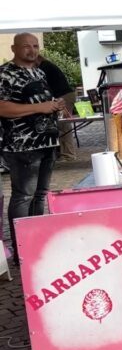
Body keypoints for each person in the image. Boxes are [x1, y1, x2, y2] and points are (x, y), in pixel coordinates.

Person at [0, 33, 66, 266]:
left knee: (40, 195)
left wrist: (55, 106)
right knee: (23, 196)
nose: (32, 50)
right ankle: (22, 251)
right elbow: (3, 107)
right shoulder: (5, 74)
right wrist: (41, 106)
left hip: (46, 142)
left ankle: (37, 243)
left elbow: (42, 104)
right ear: (14, 48)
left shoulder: (39, 72)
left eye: (35, 46)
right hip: (22, 145)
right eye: (26, 46)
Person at [35, 55, 76, 162]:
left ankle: (68, 155)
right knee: (60, 125)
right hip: (64, 95)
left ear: (37, 60)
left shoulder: (44, 67)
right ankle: (61, 152)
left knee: (63, 125)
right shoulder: (47, 66)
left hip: (63, 96)